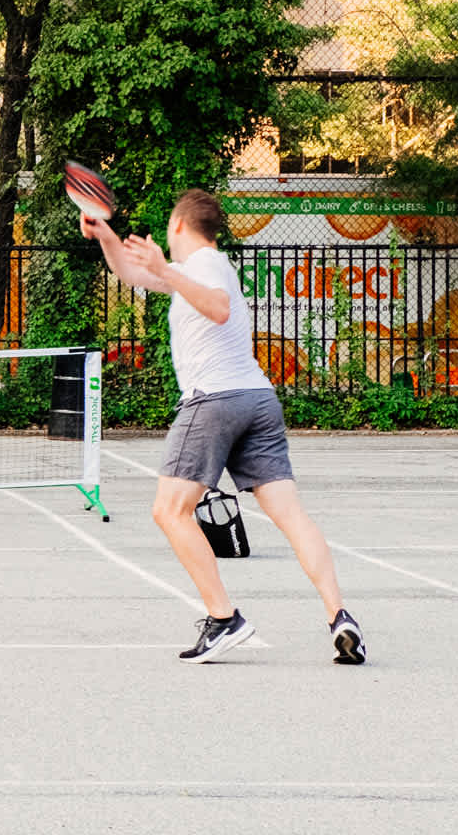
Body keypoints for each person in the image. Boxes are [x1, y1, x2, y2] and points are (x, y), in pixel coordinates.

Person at [83, 189, 365, 665]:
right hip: (257, 399)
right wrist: (106, 236)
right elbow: (131, 273)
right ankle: (339, 615)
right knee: (291, 515)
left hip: (215, 400)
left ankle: (223, 618)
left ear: (177, 226)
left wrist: (167, 269)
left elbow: (217, 307)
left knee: (170, 511)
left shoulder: (205, 265)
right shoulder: (194, 270)